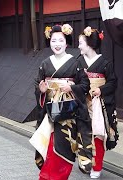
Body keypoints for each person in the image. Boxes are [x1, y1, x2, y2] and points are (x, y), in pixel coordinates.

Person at [30, 24, 92, 180]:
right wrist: (42, 90)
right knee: (49, 148)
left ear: (67, 42)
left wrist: (71, 87)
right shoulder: (44, 63)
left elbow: (85, 85)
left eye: (60, 40)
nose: (57, 44)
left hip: (68, 115)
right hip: (49, 114)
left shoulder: (75, 63)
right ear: (49, 42)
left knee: (63, 150)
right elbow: (38, 84)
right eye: (53, 41)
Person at [78, 26, 119, 179]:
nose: (79, 46)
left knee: (98, 135)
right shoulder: (78, 61)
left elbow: (113, 82)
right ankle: (85, 162)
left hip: (98, 104)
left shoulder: (105, 63)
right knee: (83, 134)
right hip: (82, 103)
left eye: (81, 43)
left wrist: (101, 89)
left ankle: (97, 166)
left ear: (89, 44)